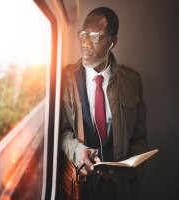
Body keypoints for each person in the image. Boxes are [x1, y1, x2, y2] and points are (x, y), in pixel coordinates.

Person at [60, 6, 148, 200]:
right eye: (83, 35)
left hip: (119, 190)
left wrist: (130, 171)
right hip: (78, 188)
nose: (85, 43)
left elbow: (140, 139)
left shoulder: (132, 81)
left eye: (94, 36)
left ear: (112, 42)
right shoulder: (64, 79)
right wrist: (78, 151)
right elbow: (61, 132)